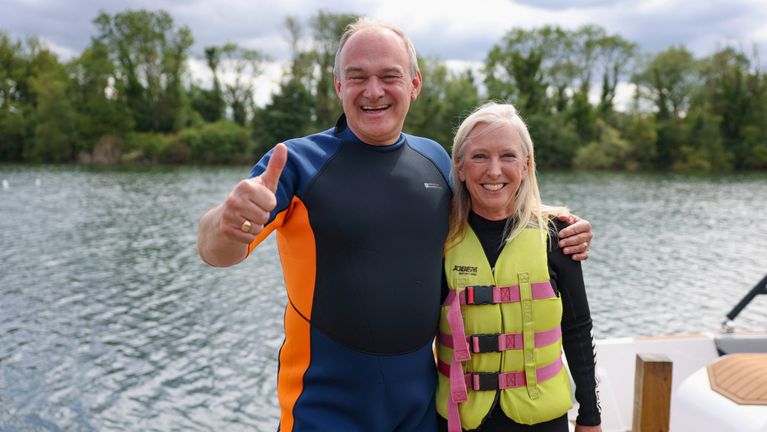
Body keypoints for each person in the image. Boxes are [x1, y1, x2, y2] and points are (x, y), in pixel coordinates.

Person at [197, 18, 593, 432]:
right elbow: (218, 251)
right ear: (338, 87)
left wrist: (560, 224)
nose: (373, 91)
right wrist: (225, 223)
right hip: (322, 409)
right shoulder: (296, 164)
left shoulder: (437, 161)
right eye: (357, 77)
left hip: (420, 410)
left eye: (389, 76)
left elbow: (494, 200)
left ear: (414, 84)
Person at [435, 102, 601, 432]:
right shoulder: (439, 238)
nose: (494, 171)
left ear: (526, 166)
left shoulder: (558, 234)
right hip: (461, 419)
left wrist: (590, 415)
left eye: (508, 156)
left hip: (542, 420)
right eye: (480, 156)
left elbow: (578, 329)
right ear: (461, 167)